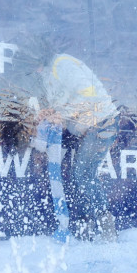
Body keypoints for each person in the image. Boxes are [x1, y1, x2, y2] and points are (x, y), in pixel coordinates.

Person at [19, 50, 119, 242]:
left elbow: (88, 94)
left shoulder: (62, 64)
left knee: (84, 174)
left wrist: (62, 114)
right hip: (89, 127)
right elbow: (63, 106)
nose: (34, 71)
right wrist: (50, 114)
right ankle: (90, 226)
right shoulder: (47, 75)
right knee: (81, 175)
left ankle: (106, 228)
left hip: (101, 123)